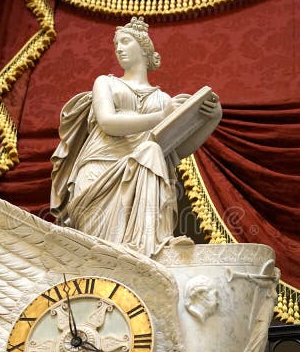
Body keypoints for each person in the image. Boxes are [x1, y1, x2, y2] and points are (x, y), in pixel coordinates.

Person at [50, 17, 220, 256]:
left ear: (143, 49)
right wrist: (161, 116)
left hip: (143, 177)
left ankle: (155, 241)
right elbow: (108, 123)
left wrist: (211, 119)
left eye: (125, 41)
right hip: (100, 173)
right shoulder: (106, 83)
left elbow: (176, 151)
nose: (119, 48)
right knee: (103, 257)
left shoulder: (163, 100)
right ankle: (150, 245)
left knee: (152, 151)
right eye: (116, 44)